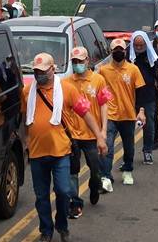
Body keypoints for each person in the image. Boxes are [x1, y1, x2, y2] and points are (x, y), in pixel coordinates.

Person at [23, 53, 107, 242]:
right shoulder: (27, 92)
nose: (39, 75)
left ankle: (62, 225)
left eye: (43, 71)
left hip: (61, 152)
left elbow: (86, 113)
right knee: (41, 196)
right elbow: (24, 118)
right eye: (36, 71)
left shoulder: (67, 89)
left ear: (53, 69)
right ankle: (46, 230)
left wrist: (100, 137)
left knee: (63, 191)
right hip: (37, 153)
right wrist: (24, 140)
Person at [64, 46, 111, 219]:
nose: (77, 64)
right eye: (74, 62)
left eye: (80, 61)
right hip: (73, 135)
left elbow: (104, 104)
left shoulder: (98, 80)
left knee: (95, 170)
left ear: (87, 61)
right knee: (72, 171)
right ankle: (75, 203)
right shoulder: (67, 82)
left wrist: (103, 130)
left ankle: (94, 185)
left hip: (92, 135)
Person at [99, 39, 146, 189]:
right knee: (108, 147)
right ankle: (106, 176)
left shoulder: (133, 69)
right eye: (115, 50)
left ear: (125, 51)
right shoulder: (103, 70)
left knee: (129, 146)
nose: (119, 52)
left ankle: (127, 170)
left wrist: (141, 111)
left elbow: (140, 92)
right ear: (111, 52)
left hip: (128, 114)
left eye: (121, 49)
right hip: (110, 115)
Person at [129, 30, 158, 163]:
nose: (139, 48)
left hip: (148, 94)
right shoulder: (127, 52)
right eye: (136, 46)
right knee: (127, 126)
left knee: (149, 125)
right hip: (129, 95)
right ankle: (128, 156)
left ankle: (147, 151)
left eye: (141, 45)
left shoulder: (152, 51)